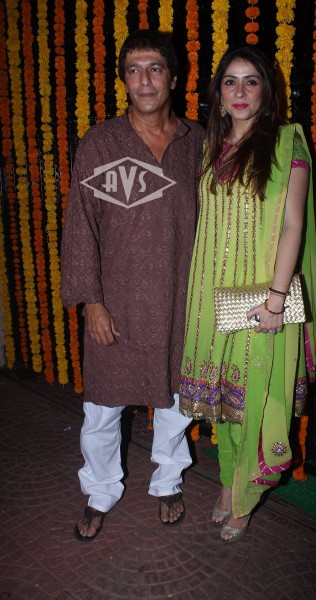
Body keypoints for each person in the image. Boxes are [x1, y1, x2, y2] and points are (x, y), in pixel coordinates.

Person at [61, 29, 204, 541]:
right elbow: (81, 224)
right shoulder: (101, 142)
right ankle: (100, 490)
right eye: (133, 70)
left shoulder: (197, 142)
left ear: (173, 77)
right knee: (102, 407)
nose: (144, 81)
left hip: (179, 299)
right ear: (123, 80)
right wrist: (91, 301)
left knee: (174, 402)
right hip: (116, 303)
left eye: (155, 69)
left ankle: (167, 481)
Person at [179, 46, 316, 543]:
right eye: (230, 82)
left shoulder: (286, 143)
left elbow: (293, 224)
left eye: (251, 81)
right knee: (226, 402)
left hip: (261, 297)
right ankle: (226, 485)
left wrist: (277, 299)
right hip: (210, 295)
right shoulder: (206, 149)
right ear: (218, 95)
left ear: (266, 91)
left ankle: (244, 497)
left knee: (256, 399)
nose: (240, 91)